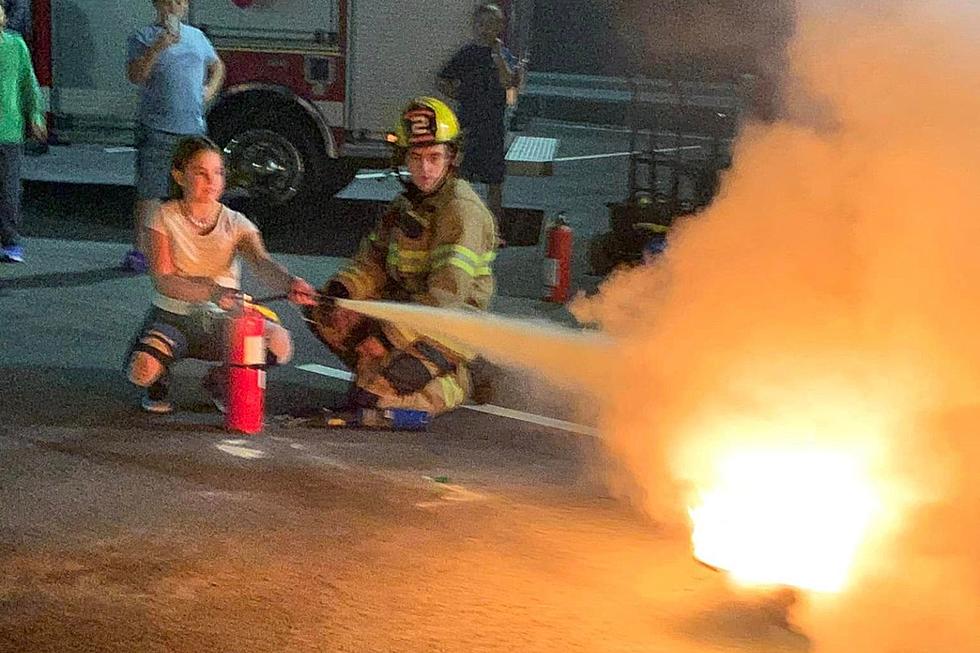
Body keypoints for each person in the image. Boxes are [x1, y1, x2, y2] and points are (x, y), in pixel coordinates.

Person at [306, 97, 497, 416]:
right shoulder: (405, 205)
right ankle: (385, 372)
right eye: (417, 157)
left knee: (375, 406)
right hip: (405, 314)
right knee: (323, 313)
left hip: (447, 326)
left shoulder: (462, 211)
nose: (425, 168)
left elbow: (444, 297)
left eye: (435, 157)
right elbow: (372, 263)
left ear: (451, 159)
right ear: (404, 158)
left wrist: (385, 338)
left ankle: (460, 381)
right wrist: (341, 294)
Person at [125, 136, 316, 414]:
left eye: (218, 173)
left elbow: (262, 262)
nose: (211, 180)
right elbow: (163, 280)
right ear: (179, 176)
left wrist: (290, 283)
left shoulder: (237, 222)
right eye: (200, 173)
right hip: (172, 317)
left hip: (224, 320)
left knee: (280, 345)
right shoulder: (162, 217)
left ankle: (220, 380)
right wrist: (212, 291)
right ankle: (158, 377)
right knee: (141, 371)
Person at [121, 0, 225, 273]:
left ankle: (190, 249)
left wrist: (209, 89)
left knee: (194, 191)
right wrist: (158, 47)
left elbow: (217, 66)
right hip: (156, 127)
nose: (178, 6)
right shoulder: (142, 37)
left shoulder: (197, 37)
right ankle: (141, 251)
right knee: (151, 191)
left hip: (192, 128)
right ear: (158, 5)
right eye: (172, 1)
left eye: (182, 2)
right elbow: (136, 75)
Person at [438, 3, 524, 245]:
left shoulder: (503, 55)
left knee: (494, 181)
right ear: (475, 26)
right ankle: (456, 229)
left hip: (493, 126)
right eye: (482, 24)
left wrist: (497, 56)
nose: (486, 29)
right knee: (460, 179)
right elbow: (442, 80)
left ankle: (494, 233)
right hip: (467, 125)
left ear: (500, 27)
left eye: (492, 24)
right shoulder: (466, 54)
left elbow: (509, 83)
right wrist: (459, 95)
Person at [0, 2, 45, 263]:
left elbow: (29, 82)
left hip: (9, 130)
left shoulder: (15, 45)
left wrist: (35, 116)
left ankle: (11, 241)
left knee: (9, 190)